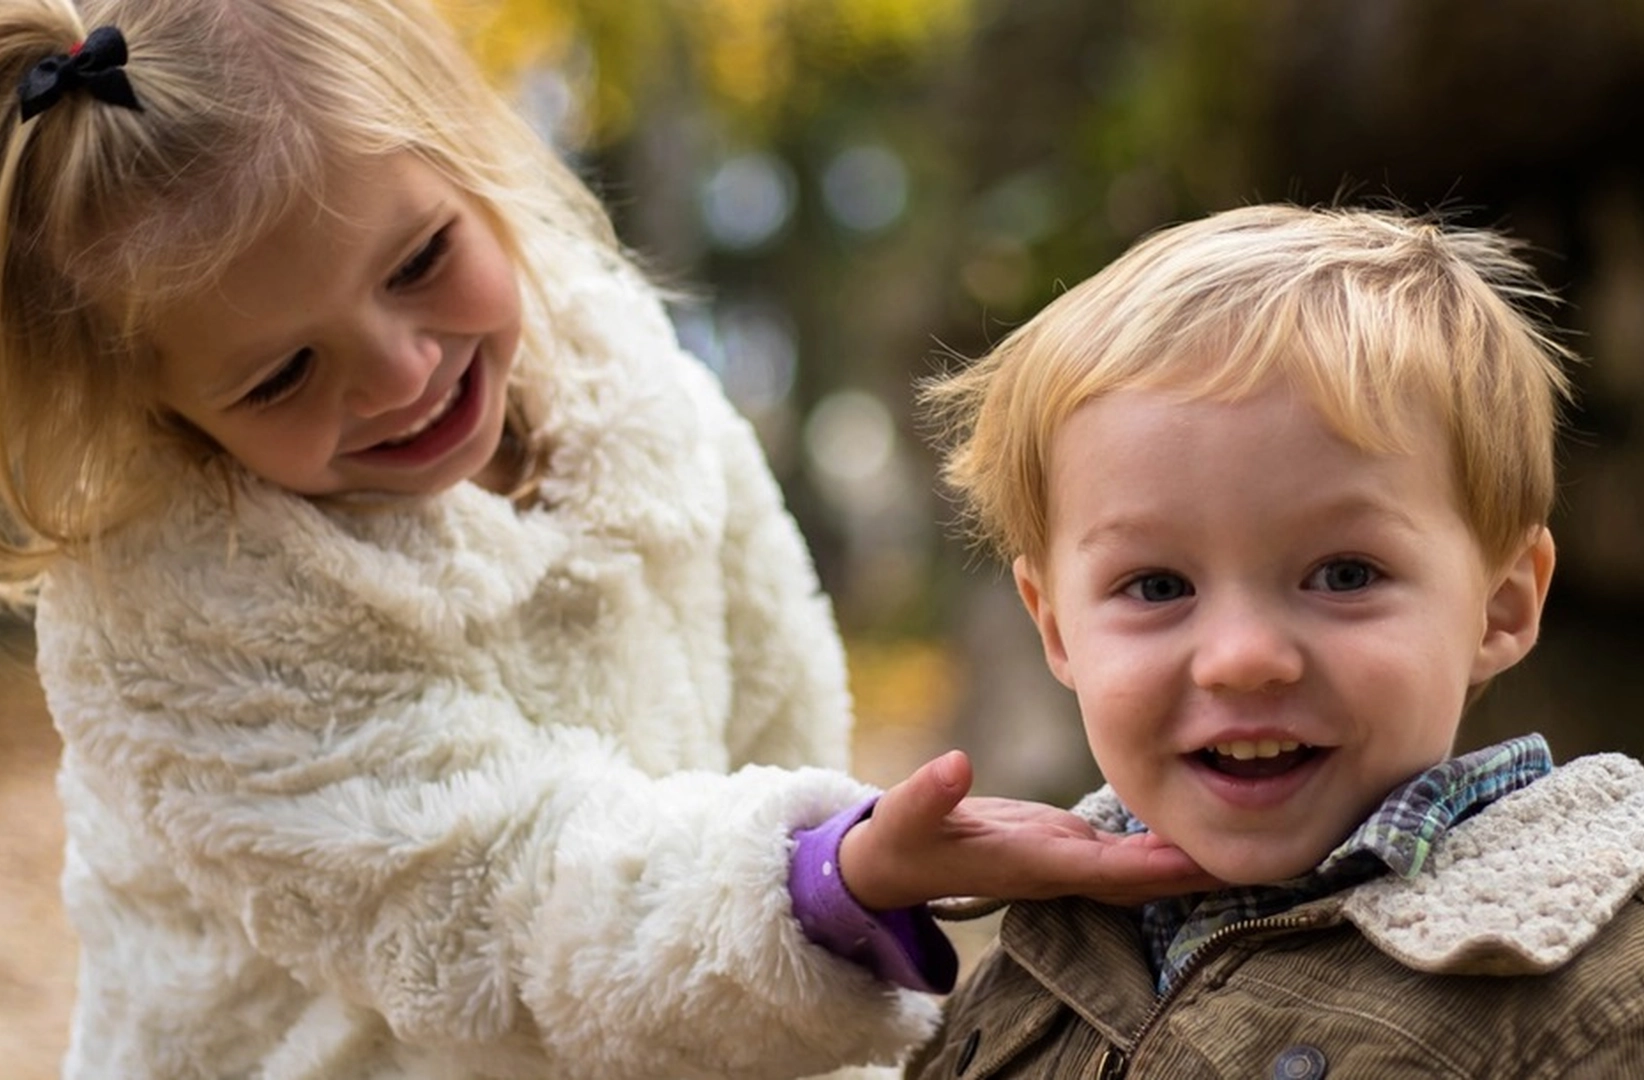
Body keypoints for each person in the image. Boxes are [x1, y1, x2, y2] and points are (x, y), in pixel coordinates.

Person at [0, 2, 1212, 1077]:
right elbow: (494, 917)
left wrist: (832, 895)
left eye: (422, 260)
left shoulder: (626, 389)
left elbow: (773, 698)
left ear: (474, 164)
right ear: (160, 407)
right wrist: (815, 888)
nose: (402, 374)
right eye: (281, 376)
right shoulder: (179, 614)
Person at [902, 203, 1644, 1078]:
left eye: (1345, 575)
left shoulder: (1631, 1017)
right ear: (1056, 628)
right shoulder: (1035, 962)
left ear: (1502, 607)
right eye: (1157, 586)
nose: (1242, 657)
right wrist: (831, 890)